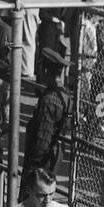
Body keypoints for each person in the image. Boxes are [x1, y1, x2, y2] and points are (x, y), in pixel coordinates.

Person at [22, 47, 70, 177]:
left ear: (45, 70)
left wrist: (33, 168)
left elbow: (43, 138)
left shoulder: (49, 99)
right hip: (55, 154)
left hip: (42, 161)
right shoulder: (64, 94)